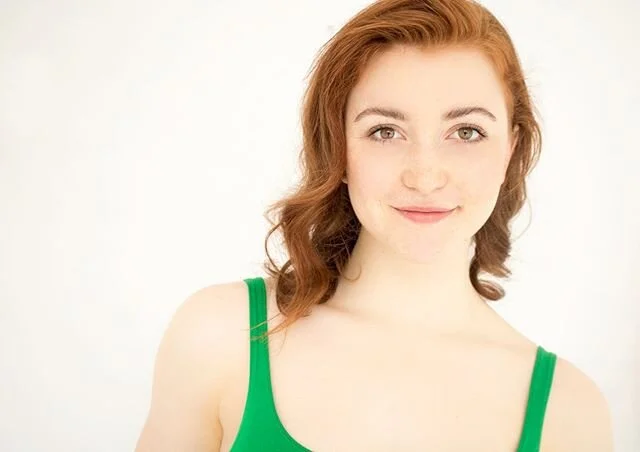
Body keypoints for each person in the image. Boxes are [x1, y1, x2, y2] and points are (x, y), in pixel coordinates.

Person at [135, 0, 614, 450]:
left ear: (511, 149)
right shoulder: (224, 335)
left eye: (466, 132)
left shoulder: (568, 413)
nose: (424, 176)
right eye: (385, 131)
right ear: (338, 148)